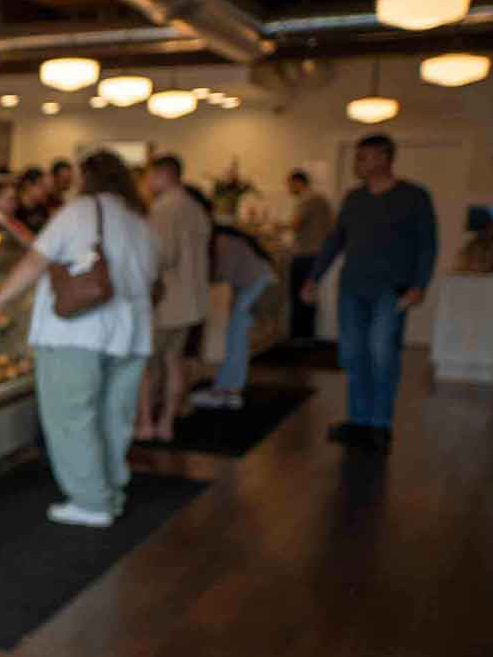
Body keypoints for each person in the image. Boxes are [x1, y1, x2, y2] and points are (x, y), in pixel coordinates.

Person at [0, 151, 159, 527]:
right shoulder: (141, 220)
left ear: (87, 178)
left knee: (72, 416)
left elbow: (34, 262)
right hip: (132, 333)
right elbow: (152, 276)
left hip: (79, 332)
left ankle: (91, 502)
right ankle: (111, 490)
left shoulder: (80, 211)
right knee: (113, 416)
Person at [303, 133, 438, 450]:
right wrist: (314, 278)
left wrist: (419, 285)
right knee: (352, 355)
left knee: (382, 354)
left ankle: (380, 424)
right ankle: (358, 420)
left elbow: (427, 245)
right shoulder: (354, 198)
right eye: (357, 157)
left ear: (384, 158)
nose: (357, 164)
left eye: (363, 157)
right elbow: (335, 241)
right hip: (352, 288)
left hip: (391, 290)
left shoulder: (414, 196)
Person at [137, 154, 210, 443]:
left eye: (149, 176)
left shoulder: (165, 209)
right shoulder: (194, 206)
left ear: (161, 175)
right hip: (191, 300)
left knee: (148, 366)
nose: (146, 183)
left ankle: (146, 422)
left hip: (165, 300)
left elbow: (161, 256)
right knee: (174, 361)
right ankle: (167, 423)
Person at [184, 188, 278, 411]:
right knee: (237, 338)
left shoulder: (219, 239)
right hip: (259, 282)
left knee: (236, 338)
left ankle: (228, 391)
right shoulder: (221, 234)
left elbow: (216, 276)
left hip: (256, 285)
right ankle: (228, 389)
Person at [286, 168, 333, 341]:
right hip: (318, 254)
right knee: (309, 295)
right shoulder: (321, 199)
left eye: (289, 185)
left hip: (305, 254)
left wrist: (277, 226)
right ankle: (307, 336)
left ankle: (299, 337)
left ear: (298, 182)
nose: (288, 189)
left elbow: (296, 225)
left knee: (299, 296)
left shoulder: (307, 199)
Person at [15, 166, 53, 233]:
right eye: (42, 185)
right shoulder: (15, 208)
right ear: (28, 184)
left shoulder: (42, 209)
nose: (45, 190)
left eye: (47, 187)